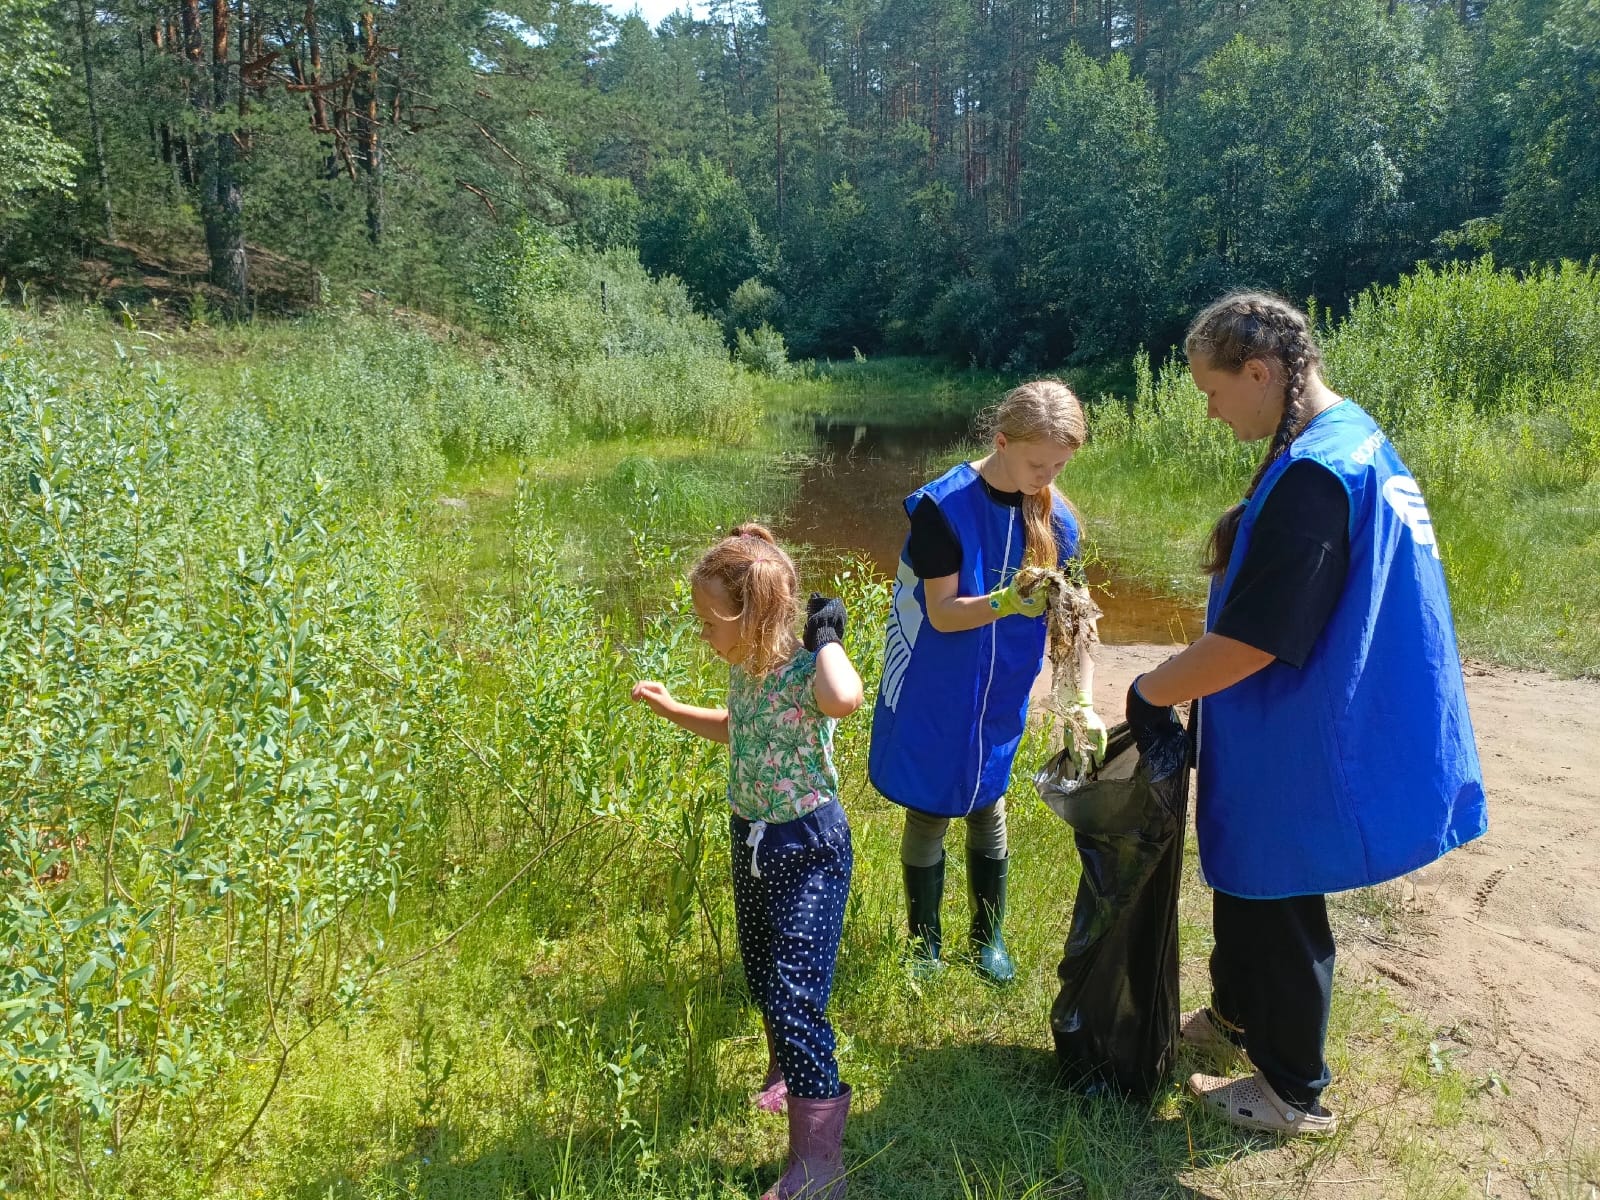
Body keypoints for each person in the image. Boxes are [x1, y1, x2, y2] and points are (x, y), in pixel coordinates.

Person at [1126, 292, 1488, 1136]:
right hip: (1291, 720)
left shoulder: (1318, 476)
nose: (1210, 411)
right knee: (1246, 874)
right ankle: (1236, 1017)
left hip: (1304, 727)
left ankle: (1294, 1090)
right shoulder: (1351, 437)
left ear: (1260, 372)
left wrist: (1154, 688)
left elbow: (1255, 640)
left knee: (1279, 894)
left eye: (1213, 392)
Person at [631, 524, 863, 1200]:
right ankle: (785, 1071)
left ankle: (820, 1168)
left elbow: (844, 699)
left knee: (797, 993)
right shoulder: (746, 668)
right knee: (763, 972)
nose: (703, 632)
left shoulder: (802, 672)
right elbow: (739, 729)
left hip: (807, 845)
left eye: (709, 620)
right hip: (754, 834)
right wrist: (675, 709)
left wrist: (828, 639)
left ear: (753, 615)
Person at [868, 380, 1105, 984]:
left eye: (1059, 465)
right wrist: (1006, 600)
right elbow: (944, 612)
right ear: (1001, 441)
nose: (1046, 476)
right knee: (931, 806)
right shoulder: (941, 509)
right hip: (936, 681)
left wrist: (1079, 698)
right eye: (1036, 462)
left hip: (1001, 687)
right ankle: (925, 944)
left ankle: (987, 935)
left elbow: (1076, 615)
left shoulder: (1057, 519)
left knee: (988, 798)